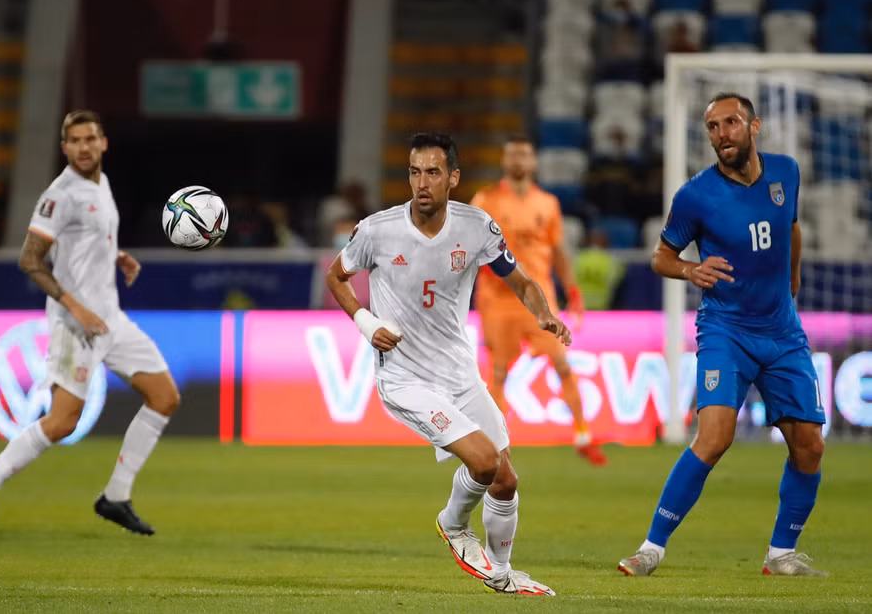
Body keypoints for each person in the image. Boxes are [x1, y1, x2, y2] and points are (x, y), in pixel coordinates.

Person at [326, 132, 569, 595]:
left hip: (459, 373)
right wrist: (364, 321)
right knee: (482, 462)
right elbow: (336, 276)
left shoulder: (477, 227)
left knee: (506, 479)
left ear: (452, 178)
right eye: (415, 172)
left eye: (433, 172)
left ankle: (502, 572)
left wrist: (544, 315)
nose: (422, 182)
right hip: (405, 378)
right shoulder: (377, 230)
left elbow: (521, 281)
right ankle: (454, 524)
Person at [618, 93, 827, 577]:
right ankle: (651, 548)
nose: (720, 134)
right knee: (714, 437)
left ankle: (781, 555)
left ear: (755, 126)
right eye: (712, 126)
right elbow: (660, 257)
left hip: (782, 331)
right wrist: (690, 270)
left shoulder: (786, 172)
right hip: (726, 330)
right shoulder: (695, 196)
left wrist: (793, 279)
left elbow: (791, 227)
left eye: (730, 123)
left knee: (810, 445)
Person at [0, 110, 180, 538]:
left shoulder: (99, 184)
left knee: (163, 396)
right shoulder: (60, 195)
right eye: (75, 141)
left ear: (104, 143)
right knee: (63, 421)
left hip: (110, 318)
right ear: (64, 147)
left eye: (91, 139)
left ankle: (115, 497)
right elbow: (30, 259)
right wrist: (75, 306)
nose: (84, 147)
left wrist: (114, 255)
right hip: (75, 324)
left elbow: (85, 239)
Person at [471, 136, 606, 465]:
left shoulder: (547, 204)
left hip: (538, 298)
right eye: (512, 155)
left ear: (533, 163)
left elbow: (558, 252)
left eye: (524, 155)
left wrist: (573, 291)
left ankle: (583, 434)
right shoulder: (485, 200)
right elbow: (465, 250)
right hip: (498, 298)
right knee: (499, 371)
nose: (518, 161)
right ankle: (497, 443)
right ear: (504, 161)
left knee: (562, 363)